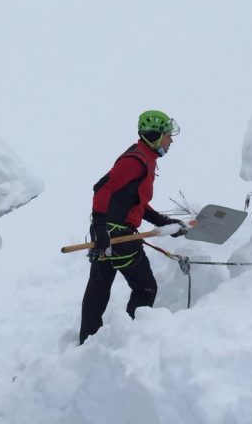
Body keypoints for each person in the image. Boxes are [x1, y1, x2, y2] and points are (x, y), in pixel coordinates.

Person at [78, 110, 188, 345]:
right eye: (168, 135)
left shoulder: (145, 158)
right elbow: (102, 188)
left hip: (107, 233)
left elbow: (134, 201)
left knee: (98, 290)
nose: (171, 141)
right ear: (155, 136)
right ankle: (129, 342)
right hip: (116, 235)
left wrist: (162, 221)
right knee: (145, 288)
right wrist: (100, 227)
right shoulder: (135, 162)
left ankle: (87, 344)